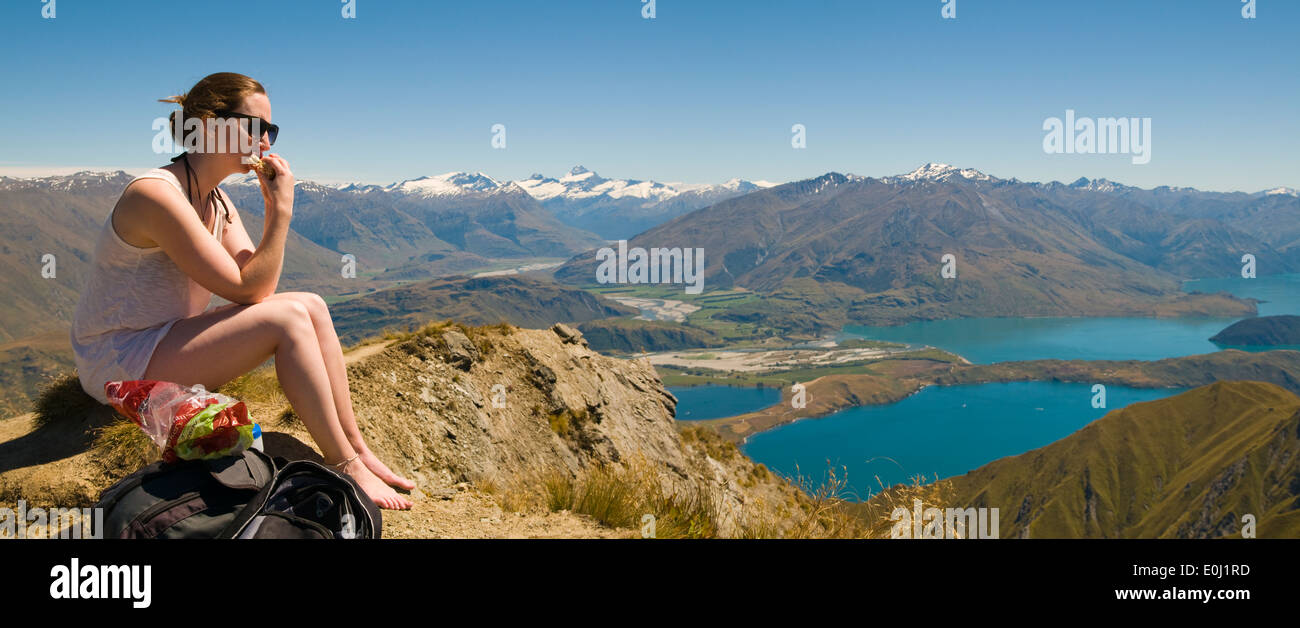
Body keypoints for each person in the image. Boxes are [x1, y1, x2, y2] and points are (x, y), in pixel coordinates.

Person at [69, 72, 414, 509]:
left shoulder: (216, 201)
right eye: (255, 127)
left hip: (163, 338)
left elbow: (254, 278)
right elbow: (252, 291)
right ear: (210, 125)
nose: (266, 141)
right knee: (286, 319)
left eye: (271, 130)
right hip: (118, 360)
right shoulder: (157, 195)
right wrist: (280, 212)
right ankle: (344, 463)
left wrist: (273, 210)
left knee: (311, 304)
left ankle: (358, 449)